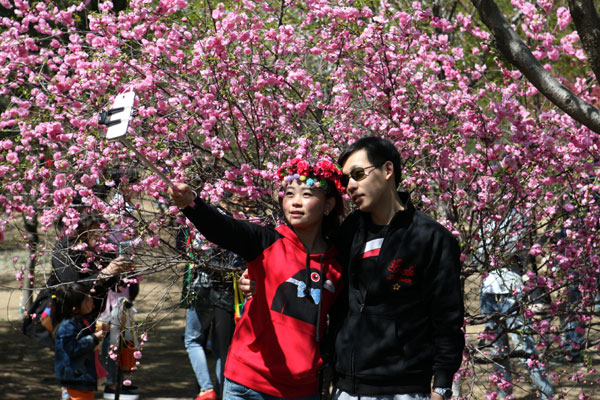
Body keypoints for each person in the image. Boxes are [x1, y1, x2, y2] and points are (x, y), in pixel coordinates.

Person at [169, 157, 346, 400]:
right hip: (247, 382)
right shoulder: (265, 242)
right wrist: (192, 204)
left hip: (302, 389)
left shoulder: (339, 263)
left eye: (307, 194)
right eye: (289, 193)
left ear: (328, 204)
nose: (295, 202)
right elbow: (225, 228)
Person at [480, 263, 555, 399]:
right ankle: (504, 393)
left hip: (511, 291)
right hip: (488, 294)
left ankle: (546, 393)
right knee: (498, 350)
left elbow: (512, 251)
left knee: (526, 350)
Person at [52, 282, 107, 400]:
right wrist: (94, 338)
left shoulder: (82, 320)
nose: (91, 300)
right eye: (87, 299)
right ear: (75, 308)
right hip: (76, 375)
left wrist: (101, 330)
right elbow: (72, 347)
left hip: (82, 374)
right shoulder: (67, 326)